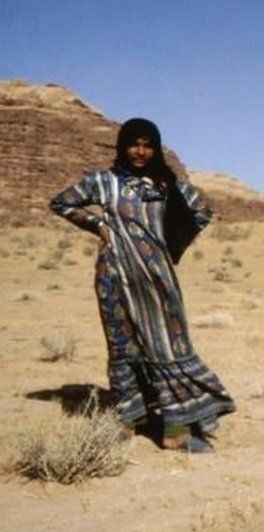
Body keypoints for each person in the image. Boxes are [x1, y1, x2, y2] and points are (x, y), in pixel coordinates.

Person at [50, 118, 236, 452]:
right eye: (134, 144)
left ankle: (175, 429)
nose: (140, 151)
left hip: (158, 279)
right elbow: (62, 203)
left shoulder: (166, 185)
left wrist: (171, 242)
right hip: (114, 277)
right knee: (123, 346)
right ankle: (127, 420)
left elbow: (202, 211)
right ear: (122, 146)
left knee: (168, 347)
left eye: (148, 145)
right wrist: (98, 225)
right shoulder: (102, 182)